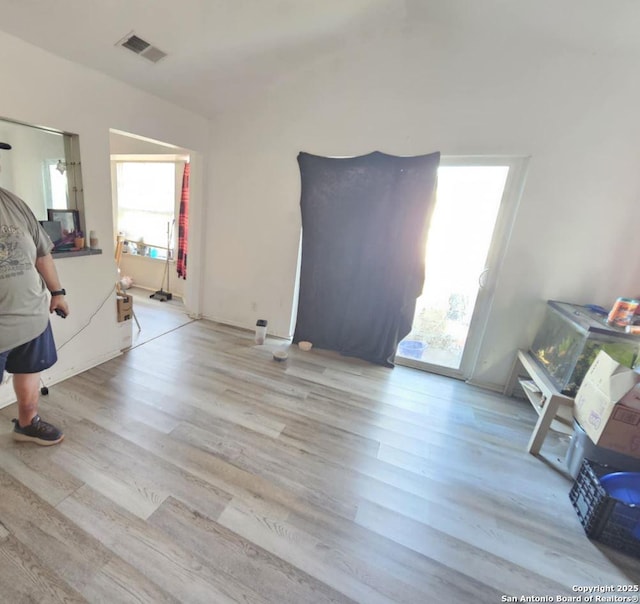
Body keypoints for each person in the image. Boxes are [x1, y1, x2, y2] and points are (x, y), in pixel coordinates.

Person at [0, 143, 69, 445]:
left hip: (32, 316)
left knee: (29, 371)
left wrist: (57, 292)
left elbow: (42, 254)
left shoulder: (13, 204)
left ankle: (27, 423)